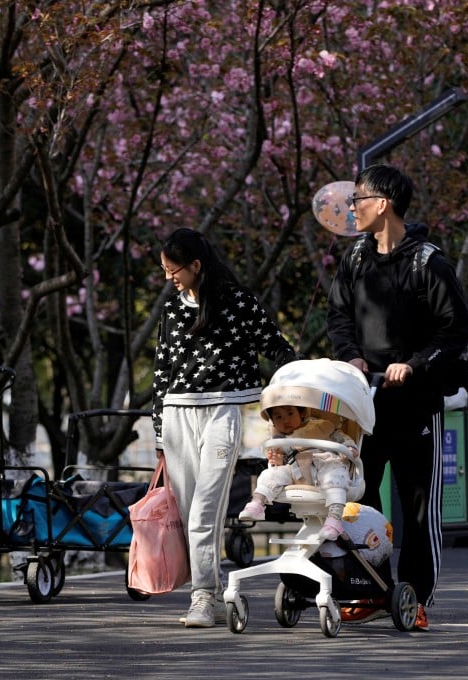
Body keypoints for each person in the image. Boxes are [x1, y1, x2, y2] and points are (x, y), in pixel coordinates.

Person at [326, 164, 468, 631]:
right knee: (359, 502)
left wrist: (414, 363)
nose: (353, 209)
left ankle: (415, 596)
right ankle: (369, 590)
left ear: (383, 203)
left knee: (417, 508)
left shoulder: (428, 262)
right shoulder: (353, 259)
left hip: (416, 405)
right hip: (364, 404)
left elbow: (456, 332)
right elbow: (338, 316)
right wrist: (350, 357)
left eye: (359, 200)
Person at [152, 228, 297, 628]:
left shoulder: (238, 302)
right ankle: (211, 596)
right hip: (177, 414)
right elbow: (161, 373)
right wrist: (159, 434)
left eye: (173, 269)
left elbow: (275, 345)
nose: (169, 278)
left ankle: (201, 597)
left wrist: (303, 376)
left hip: (222, 413)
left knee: (204, 511)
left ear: (196, 265)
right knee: (187, 514)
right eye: (164, 270)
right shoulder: (171, 311)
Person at [238, 405, 359, 540]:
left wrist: (349, 448)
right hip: (296, 471)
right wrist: (278, 460)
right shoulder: (281, 440)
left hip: (325, 463)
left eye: (290, 413)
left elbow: (343, 439)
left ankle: (334, 518)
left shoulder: (321, 426)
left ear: (301, 413)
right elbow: (281, 463)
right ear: (272, 422)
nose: (286, 420)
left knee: (336, 474)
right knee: (270, 474)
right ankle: (257, 503)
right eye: (278, 417)